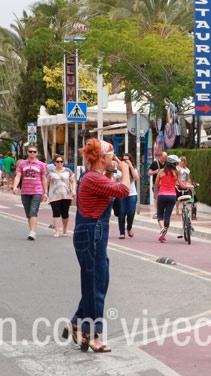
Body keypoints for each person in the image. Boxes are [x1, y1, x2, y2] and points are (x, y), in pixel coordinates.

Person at [64, 139, 130, 353]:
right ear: (102, 158)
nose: (115, 158)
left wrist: (111, 170)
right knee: (94, 284)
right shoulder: (93, 178)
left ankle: (76, 322)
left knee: (99, 281)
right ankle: (91, 334)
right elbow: (123, 191)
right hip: (91, 233)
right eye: (111, 155)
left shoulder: (94, 177)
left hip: (93, 233)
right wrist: (125, 169)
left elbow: (108, 191)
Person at [12, 144, 49, 240]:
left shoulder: (41, 164)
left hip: (37, 190)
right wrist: (15, 186)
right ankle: (32, 230)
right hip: (25, 191)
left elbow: (44, 178)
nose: (32, 153)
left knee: (33, 211)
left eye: (34, 152)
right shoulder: (22, 164)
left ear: (36, 153)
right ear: (27, 152)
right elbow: (18, 176)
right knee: (28, 212)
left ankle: (32, 232)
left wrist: (45, 192)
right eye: (30, 151)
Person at [155, 155, 188, 242]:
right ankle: (163, 235)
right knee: (168, 215)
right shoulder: (176, 172)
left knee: (160, 215)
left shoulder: (161, 171)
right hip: (172, 196)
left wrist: (163, 185)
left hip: (162, 195)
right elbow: (181, 185)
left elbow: (156, 184)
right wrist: (189, 186)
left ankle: (162, 228)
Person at [46, 154, 76, 238]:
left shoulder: (68, 171)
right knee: (56, 212)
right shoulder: (50, 172)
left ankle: (65, 230)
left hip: (66, 195)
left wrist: (73, 190)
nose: (60, 163)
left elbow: (73, 181)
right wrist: (45, 192)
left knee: (65, 213)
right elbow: (47, 182)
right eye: (58, 161)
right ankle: (57, 231)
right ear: (54, 162)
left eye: (61, 161)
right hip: (54, 195)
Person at [116, 153, 140, 239]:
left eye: (127, 160)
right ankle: (122, 232)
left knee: (131, 212)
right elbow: (114, 178)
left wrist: (130, 166)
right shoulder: (119, 169)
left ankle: (129, 228)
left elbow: (136, 178)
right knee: (122, 212)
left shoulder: (133, 169)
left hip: (132, 193)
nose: (125, 161)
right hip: (121, 193)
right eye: (123, 160)